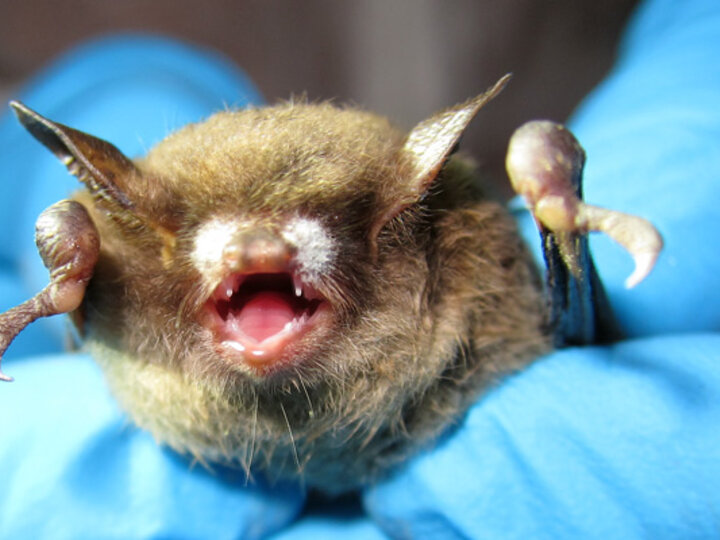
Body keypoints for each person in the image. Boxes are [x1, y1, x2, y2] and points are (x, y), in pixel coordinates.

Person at [1, 0, 718, 537]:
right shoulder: (133, 287)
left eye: (287, 236)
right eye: (233, 243)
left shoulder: (458, 256)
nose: (257, 253)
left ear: (394, 226)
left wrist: (564, 227)